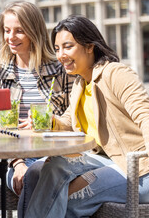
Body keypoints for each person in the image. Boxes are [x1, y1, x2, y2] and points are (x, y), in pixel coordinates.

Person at [20, 15, 149, 218]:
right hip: (104, 160)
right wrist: (50, 122)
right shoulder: (80, 84)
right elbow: (68, 122)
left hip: (137, 169)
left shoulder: (115, 73)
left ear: (90, 46)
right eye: (57, 48)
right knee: (36, 171)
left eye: (68, 46)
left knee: (69, 199)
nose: (61, 55)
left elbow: (145, 115)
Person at [0, 1, 75, 196]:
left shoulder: (62, 71)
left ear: (34, 32)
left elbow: (72, 122)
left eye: (19, 31)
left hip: (57, 156)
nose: (10, 37)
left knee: (40, 178)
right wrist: (17, 163)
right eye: (7, 30)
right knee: (32, 177)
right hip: (15, 159)